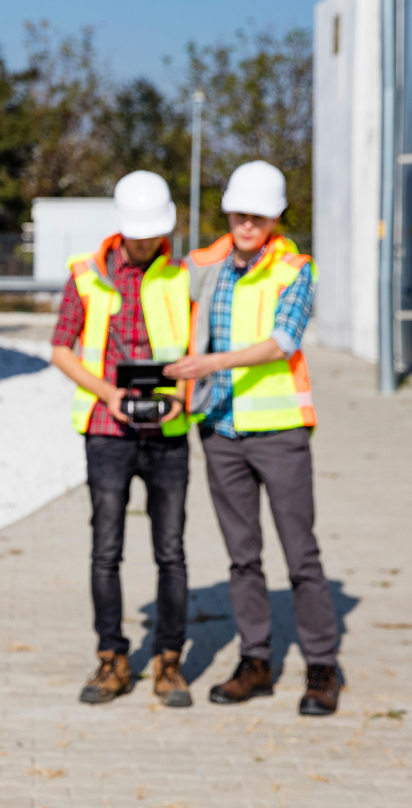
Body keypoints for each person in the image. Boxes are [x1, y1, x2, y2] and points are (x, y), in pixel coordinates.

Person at [166, 160, 340, 716]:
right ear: (228, 212)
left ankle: (322, 666)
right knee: (242, 558)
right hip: (219, 429)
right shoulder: (203, 265)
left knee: (300, 554)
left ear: (275, 218)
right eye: (240, 213)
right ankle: (255, 661)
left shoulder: (294, 270)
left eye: (258, 216)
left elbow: (283, 341)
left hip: (279, 430)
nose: (247, 224)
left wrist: (210, 363)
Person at [51, 171, 193, 708]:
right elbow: (61, 348)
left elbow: (198, 349)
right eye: (139, 232)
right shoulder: (86, 275)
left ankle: (168, 660)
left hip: (168, 433)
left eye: (154, 232)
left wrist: (182, 394)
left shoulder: (184, 275)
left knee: (171, 552)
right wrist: (108, 393)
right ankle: (112, 657)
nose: (146, 241)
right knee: (105, 551)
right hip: (108, 432)